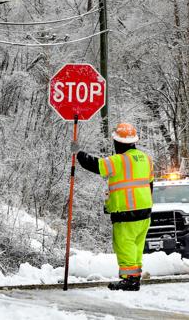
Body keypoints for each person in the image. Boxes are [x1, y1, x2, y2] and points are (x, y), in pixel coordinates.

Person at [76, 123, 154, 291]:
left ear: (118, 143)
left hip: (126, 213)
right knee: (136, 245)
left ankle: (129, 280)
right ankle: (134, 277)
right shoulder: (146, 158)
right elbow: (150, 184)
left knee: (124, 244)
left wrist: (78, 153)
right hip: (145, 211)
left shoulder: (118, 160)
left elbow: (94, 164)